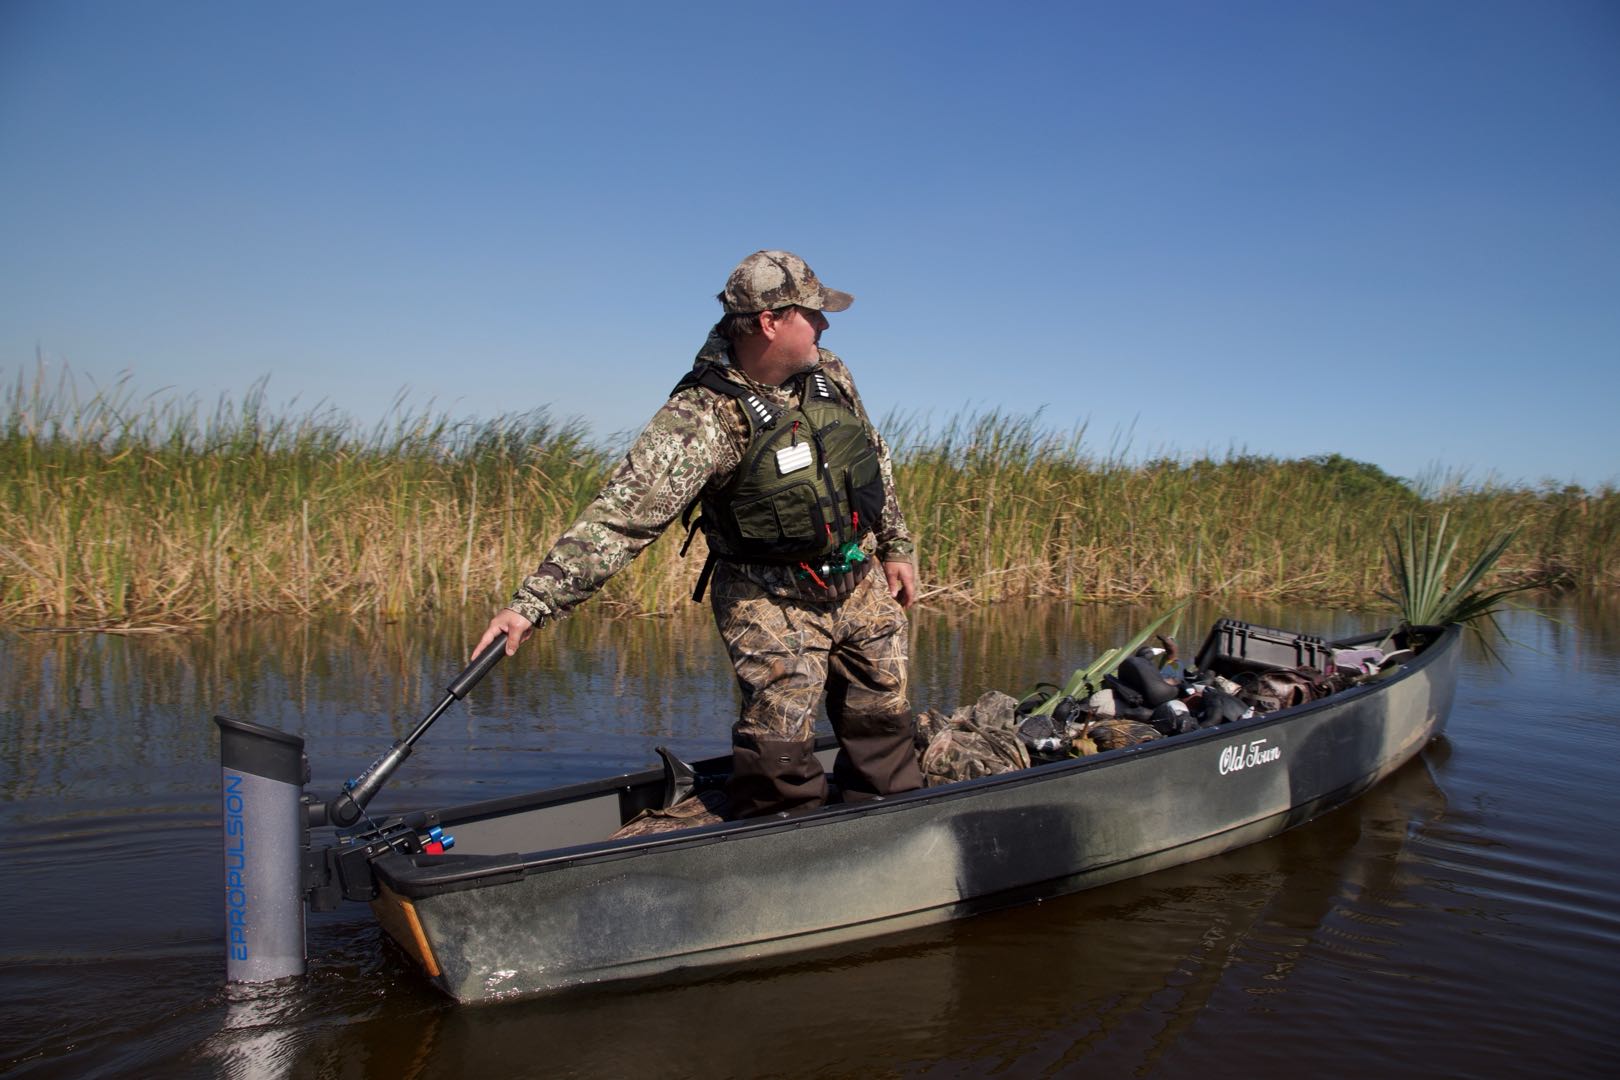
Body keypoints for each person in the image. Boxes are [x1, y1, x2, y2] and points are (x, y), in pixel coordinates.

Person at [473, 250, 924, 818]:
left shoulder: (831, 372)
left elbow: (871, 457)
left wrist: (897, 545)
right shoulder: (702, 415)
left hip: (858, 580)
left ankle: (895, 826)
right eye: (813, 313)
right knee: (780, 745)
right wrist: (531, 605)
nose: (826, 324)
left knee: (883, 713)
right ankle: (784, 846)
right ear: (769, 321)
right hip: (770, 597)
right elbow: (621, 517)